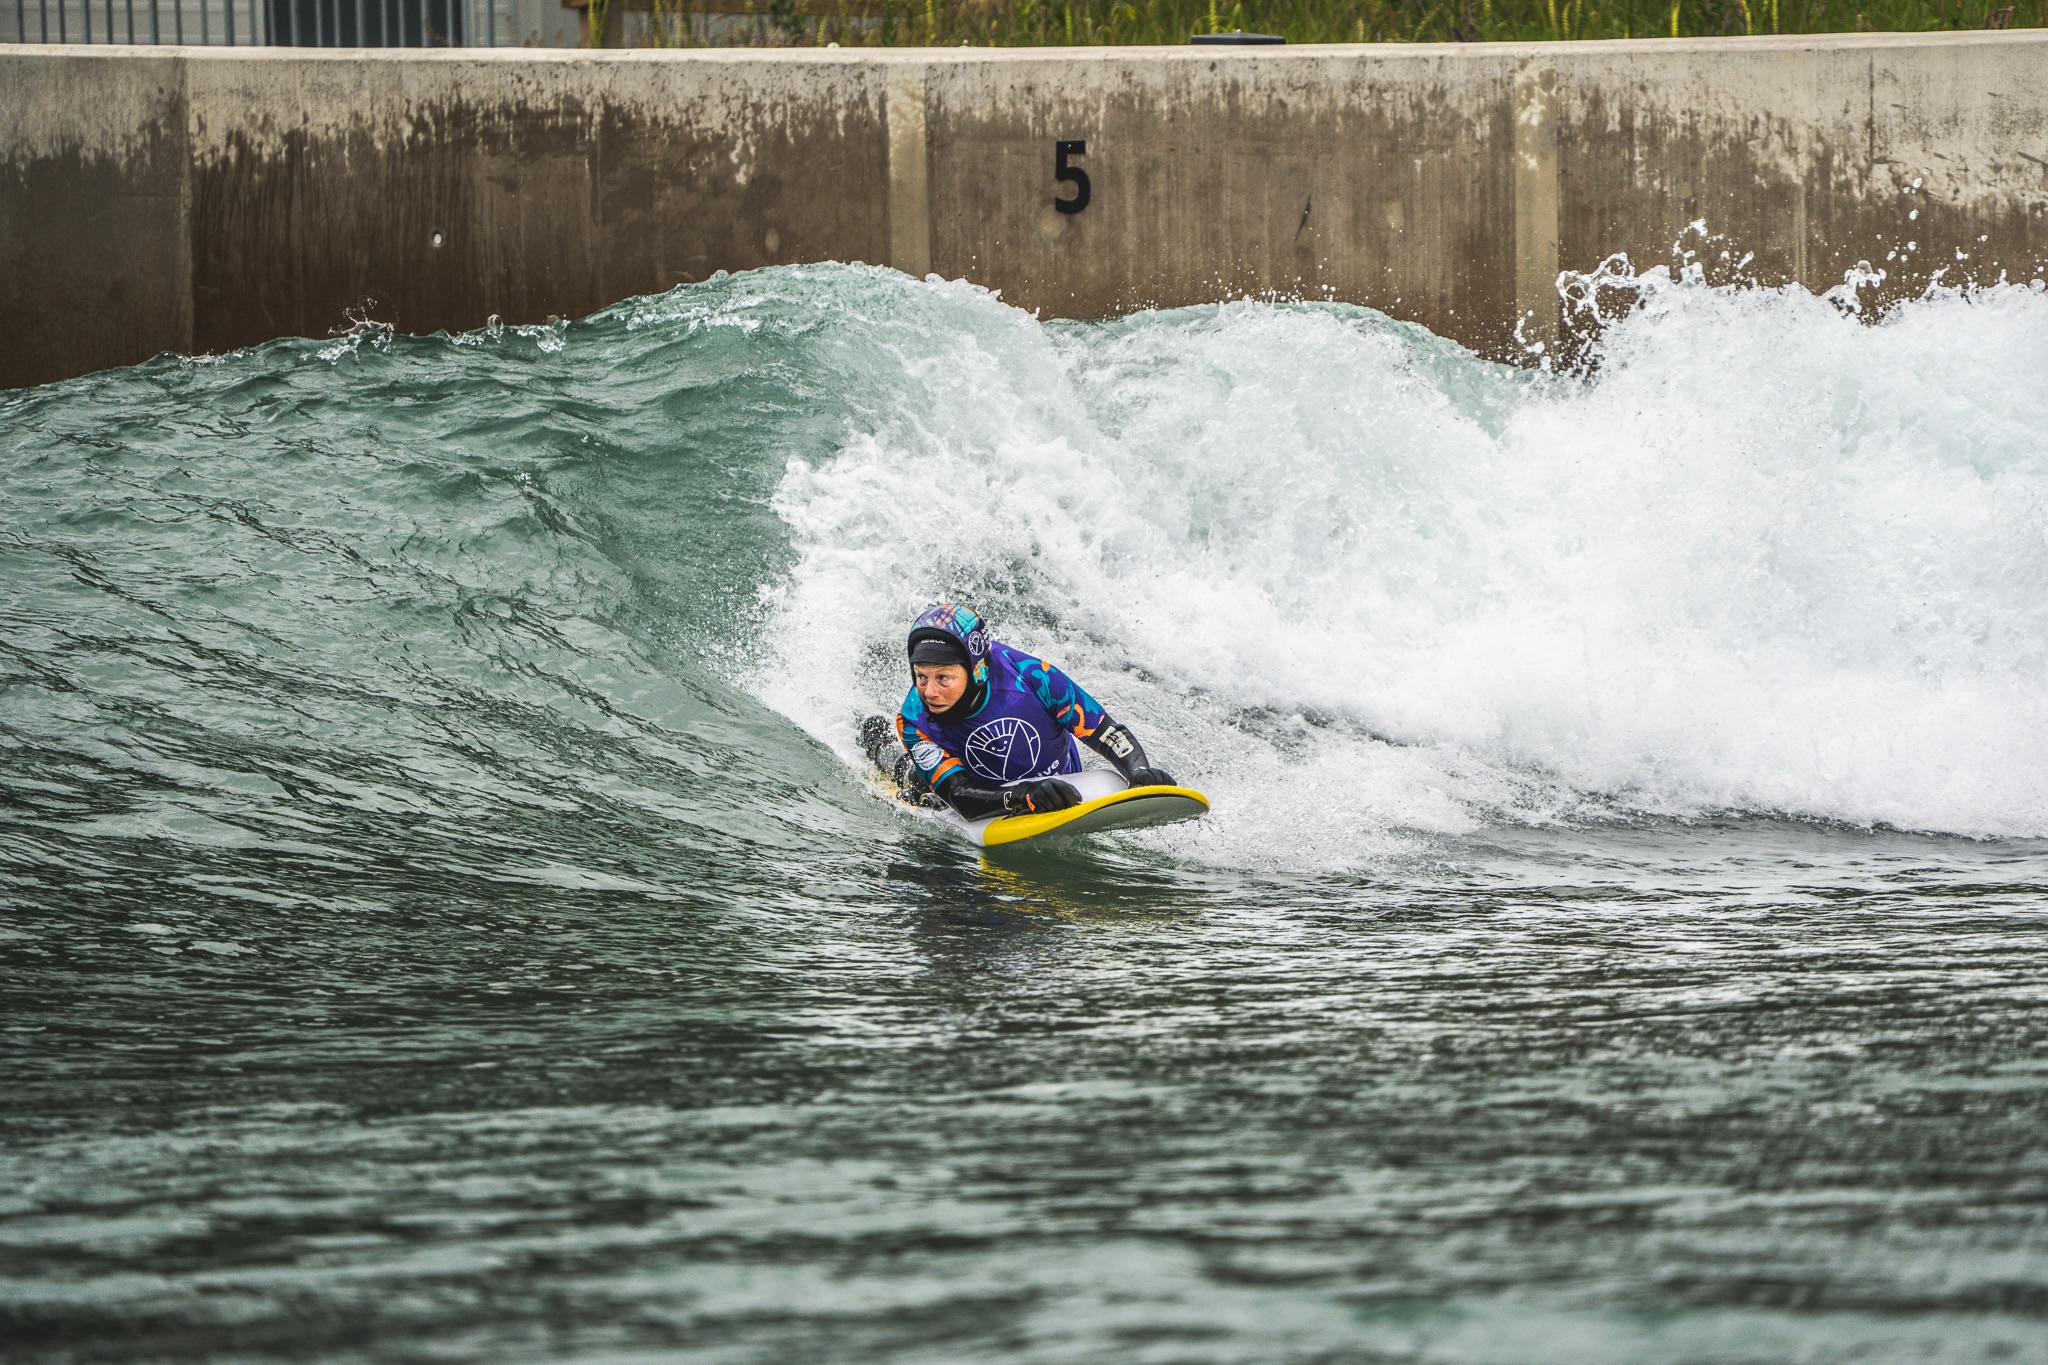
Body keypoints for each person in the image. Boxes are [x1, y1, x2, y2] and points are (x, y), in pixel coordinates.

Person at [860, 603, 1176, 819]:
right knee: (915, 781)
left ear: (977, 671)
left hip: (1059, 782)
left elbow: (1105, 732)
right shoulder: (914, 718)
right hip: (978, 794)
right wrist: (1020, 797)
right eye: (920, 676)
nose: (929, 692)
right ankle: (881, 745)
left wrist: (1137, 770)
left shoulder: (1034, 677)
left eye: (943, 678)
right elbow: (959, 796)